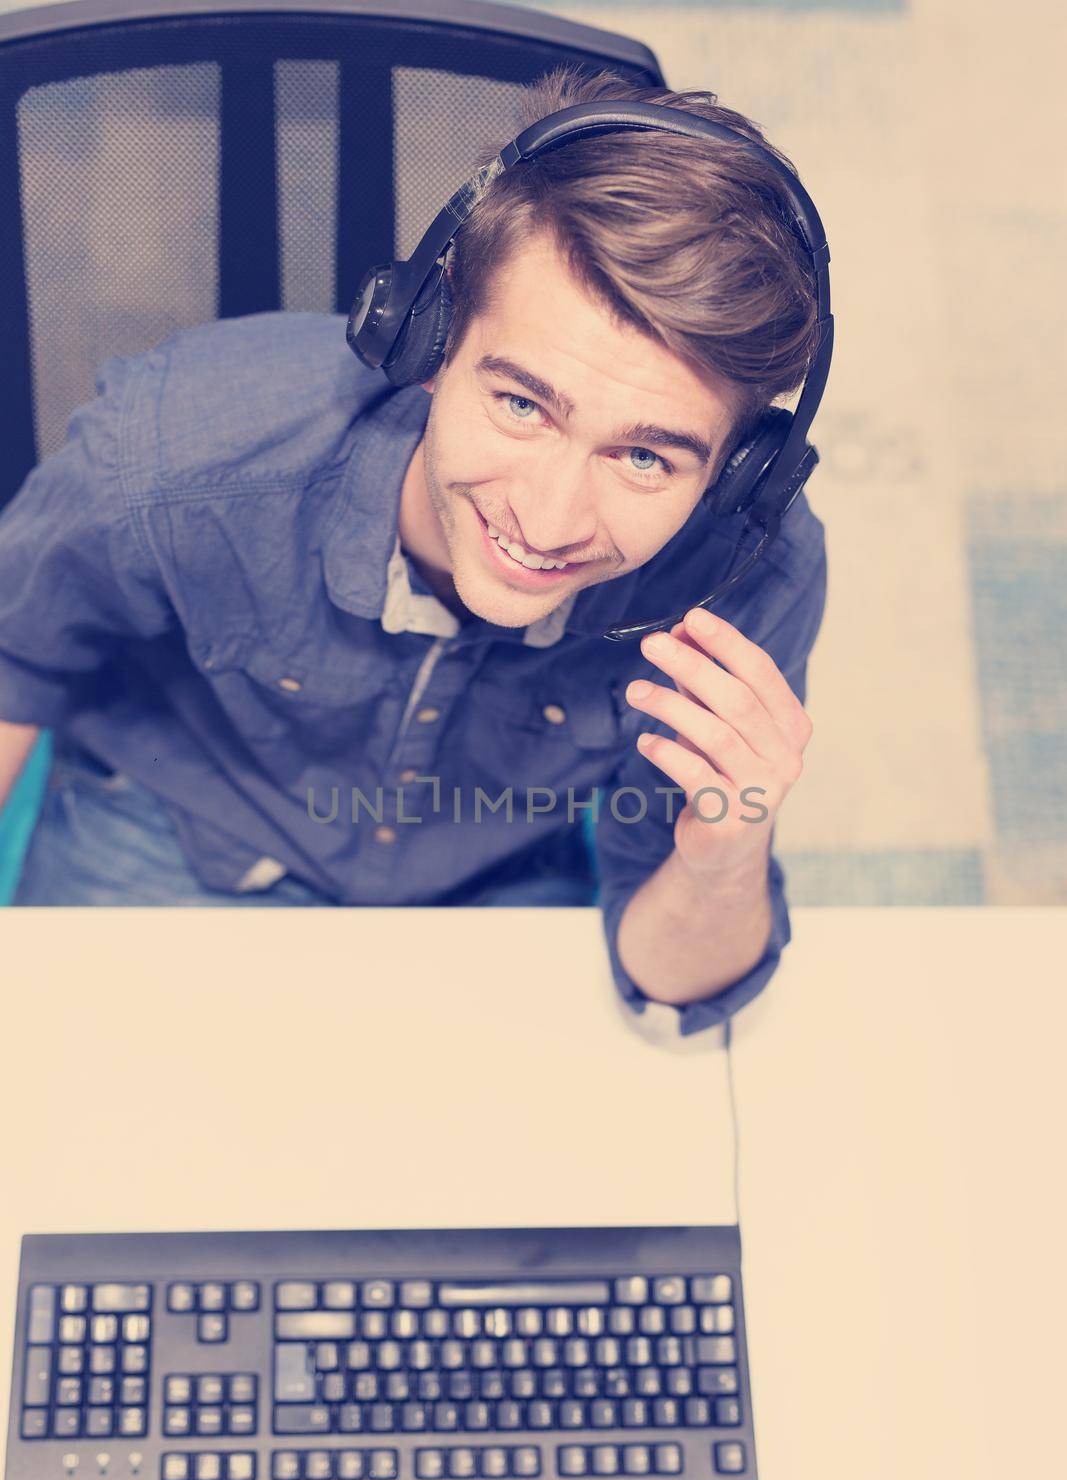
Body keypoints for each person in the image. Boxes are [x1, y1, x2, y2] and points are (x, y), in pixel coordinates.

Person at [0, 66, 826, 1039]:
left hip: (491, 879)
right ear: (427, 339)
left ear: (737, 471)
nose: (550, 520)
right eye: (521, 404)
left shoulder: (747, 573)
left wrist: (726, 854)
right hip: (174, 834)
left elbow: (667, 986)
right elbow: (14, 660)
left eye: (643, 455)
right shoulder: (174, 453)